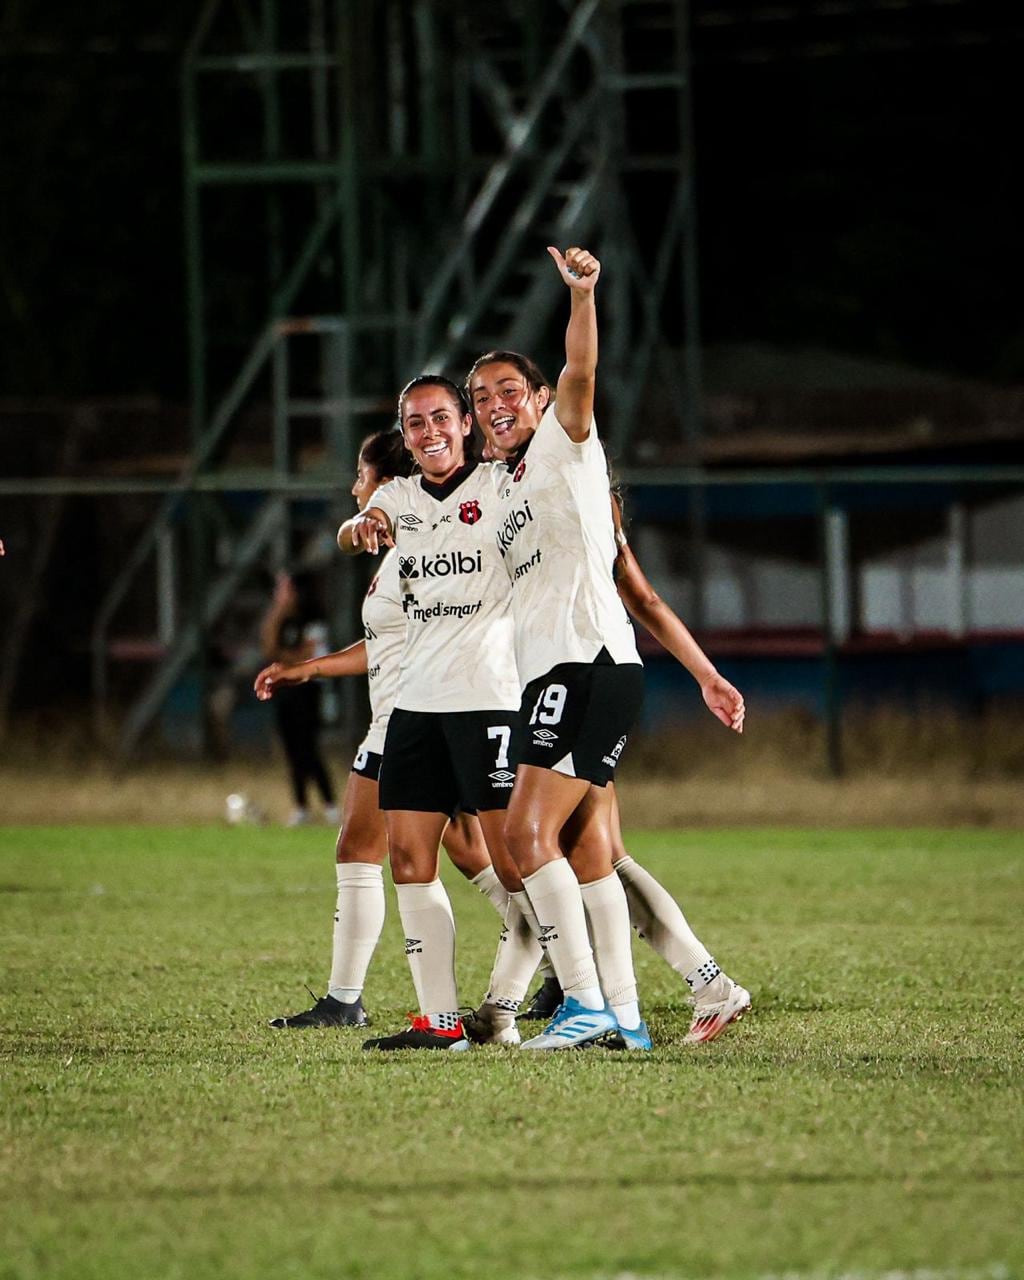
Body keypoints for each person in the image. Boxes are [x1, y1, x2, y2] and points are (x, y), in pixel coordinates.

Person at [461, 245, 655, 1050]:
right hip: (581, 669)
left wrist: (581, 297)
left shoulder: (565, 439)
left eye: (510, 390)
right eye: (481, 397)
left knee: (521, 836)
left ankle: (583, 1008)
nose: (495, 403)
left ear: (539, 399)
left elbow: (582, 371)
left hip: (587, 664)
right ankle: (630, 1021)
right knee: (583, 849)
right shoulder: (504, 490)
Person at [255, 429, 511, 1030]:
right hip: (416, 715)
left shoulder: (419, 548)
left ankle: (349, 1000)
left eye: (361, 475)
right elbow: (382, 642)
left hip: (409, 719)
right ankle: (548, 957)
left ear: (388, 484)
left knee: (363, 849)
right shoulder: (402, 548)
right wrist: (312, 669)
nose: (354, 487)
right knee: (471, 852)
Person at [337, 377, 536, 1051]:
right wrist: (362, 525)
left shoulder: (498, 485)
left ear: (465, 424)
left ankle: (557, 997)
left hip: (487, 704)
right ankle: (440, 1022)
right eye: (416, 423)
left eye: (441, 418)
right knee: (408, 858)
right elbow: (354, 530)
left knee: (519, 871)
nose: (430, 432)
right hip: (415, 708)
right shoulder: (395, 496)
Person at [258, 572, 338, 827]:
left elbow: (309, 655)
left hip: (308, 690)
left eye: (284, 589)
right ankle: (301, 806)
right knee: (292, 750)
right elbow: (269, 649)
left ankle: (330, 805)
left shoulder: (312, 618)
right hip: (285, 692)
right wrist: (277, 613)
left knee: (308, 748)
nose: (280, 595)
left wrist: (286, 661)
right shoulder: (281, 620)